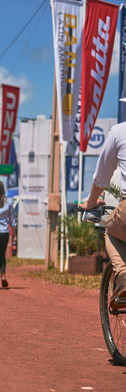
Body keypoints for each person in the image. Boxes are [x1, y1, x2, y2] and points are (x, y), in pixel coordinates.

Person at [80, 116, 126, 309]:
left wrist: (90, 203)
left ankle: (123, 276)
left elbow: (101, 179)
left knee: (111, 230)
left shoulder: (119, 132)